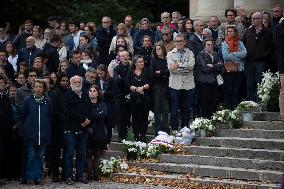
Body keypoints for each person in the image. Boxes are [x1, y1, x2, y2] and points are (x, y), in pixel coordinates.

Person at [21, 79, 52, 184]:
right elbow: (23, 116)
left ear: (44, 89)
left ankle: (38, 176)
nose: (38, 89)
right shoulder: (28, 100)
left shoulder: (48, 101)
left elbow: (50, 116)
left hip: (43, 134)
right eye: (36, 86)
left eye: (40, 87)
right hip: (31, 134)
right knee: (31, 156)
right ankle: (30, 176)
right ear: (33, 88)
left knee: (40, 156)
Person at [64, 75, 91, 185]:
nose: (77, 83)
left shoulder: (85, 95)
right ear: (70, 84)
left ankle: (79, 175)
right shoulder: (68, 95)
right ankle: (68, 176)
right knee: (69, 153)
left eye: (79, 82)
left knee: (81, 153)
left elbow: (89, 108)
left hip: (83, 129)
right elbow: (68, 111)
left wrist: (88, 120)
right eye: (74, 82)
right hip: (71, 129)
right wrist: (83, 119)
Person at [243, 11, 273, 101]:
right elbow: (243, 45)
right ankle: (250, 105)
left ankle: (260, 105)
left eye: (254, 18)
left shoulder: (267, 32)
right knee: (249, 85)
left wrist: (263, 56)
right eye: (251, 18)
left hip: (261, 62)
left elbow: (271, 48)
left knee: (259, 84)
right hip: (249, 62)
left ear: (260, 20)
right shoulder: (247, 31)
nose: (252, 20)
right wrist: (246, 55)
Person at [167, 34, 195, 131]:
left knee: (186, 110)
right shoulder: (170, 54)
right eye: (176, 41)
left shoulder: (190, 53)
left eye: (180, 41)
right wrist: (185, 68)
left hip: (188, 85)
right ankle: (174, 130)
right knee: (174, 110)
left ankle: (185, 130)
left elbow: (191, 66)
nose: (178, 43)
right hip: (175, 86)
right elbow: (171, 69)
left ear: (184, 42)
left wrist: (178, 64)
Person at [196, 38, 223, 118]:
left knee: (213, 101)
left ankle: (212, 118)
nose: (210, 46)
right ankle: (204, 119)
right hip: (204, 81)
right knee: (204, 102)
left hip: (214, 80)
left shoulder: (215, 53)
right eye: (208, 45)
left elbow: (221, 65)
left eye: (211, 45)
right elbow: (205, 68)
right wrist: (215, 66)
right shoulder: (200, 55)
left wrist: (212, 65)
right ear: (204, 46)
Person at [49, 73, 69, 182]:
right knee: (56, 152)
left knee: (67, 151)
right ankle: (55, 173)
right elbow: (55, 110)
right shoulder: (54, 93)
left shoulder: (70, 93)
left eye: (66, 81)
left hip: (68, 127)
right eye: (63, 81)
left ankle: (65, 173)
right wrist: (65, 119)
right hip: (57, 127)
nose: (65, 83)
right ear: (59, 81)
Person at [222, 26, 247, 110]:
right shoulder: (224, 43)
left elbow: (245, 54)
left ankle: (235, 109)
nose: (229, 33)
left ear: (235, 32)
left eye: (231, 31)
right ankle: (228, 110)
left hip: (239, 69)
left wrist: (232, 55)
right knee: (229, 90)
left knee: (237, 90)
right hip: (229, 70)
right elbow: (225, 56)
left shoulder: (240, 43)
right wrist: (238, 55)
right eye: (228, 31)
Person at [86, 85, 107, 181]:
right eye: (90, 91)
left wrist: (91, 116)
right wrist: (94, 115)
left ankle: (96, 175)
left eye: (94, 91)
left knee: (97, 154)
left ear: (98, 93)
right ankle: (89, 175)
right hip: (88, 132)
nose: (92, 92)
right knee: (89, 154)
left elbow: (102, 115)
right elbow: (84, 115)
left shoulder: (102, 104)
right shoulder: (85, 103)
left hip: (99, 132)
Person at [126, 55, 150, 142]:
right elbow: (127, 83)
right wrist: (134, 88)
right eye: (140, 62)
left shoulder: (146, 71)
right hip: (134, 98)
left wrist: (143, 87)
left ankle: (143, 135)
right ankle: (136, 135)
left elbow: (150, 82)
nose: (142, 63)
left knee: (144, 118)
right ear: (135, 63)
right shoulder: (131, 72)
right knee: (135, 118)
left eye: (142, 61)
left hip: (144, 98)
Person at [149, 42, 170, 134]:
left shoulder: (167, 60)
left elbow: (169, 72)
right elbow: (152, 73)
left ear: (163, 49)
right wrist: (163, 73)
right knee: (157, 109)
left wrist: (160, 72)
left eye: (160, 49)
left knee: (165, 108)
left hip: (166, 86)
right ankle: (157, 130)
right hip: (157, 86)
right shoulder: (154, 60)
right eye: (157, 49)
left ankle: (166, 129)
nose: (158, 51)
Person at [95, 64, 118, 143]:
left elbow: (115, 92)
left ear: (105, 72)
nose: (99, 75)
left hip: (109, 104)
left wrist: (105, 93)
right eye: (98, 73)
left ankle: (108, 139)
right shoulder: (97, 80)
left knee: (109, 124)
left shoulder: (111, 80)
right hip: (99, 104)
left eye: (101, 73)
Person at [113, 50, 132, 141]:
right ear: (120, 58)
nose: (125, 58)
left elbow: (131, 80)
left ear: (129, 57)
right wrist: (126, 81)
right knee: (120, 117)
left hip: (130, 94)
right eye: (122, 56)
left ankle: (130, 135)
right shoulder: (116, 69)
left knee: (128, 117)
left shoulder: (132, 68)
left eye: (126, 56)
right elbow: (117, 81)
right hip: (119, 95)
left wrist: (123, 79)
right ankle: (121, 136)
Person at [275, 17, 284, 121]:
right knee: (283, 91)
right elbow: (279, 48)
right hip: (283, 65)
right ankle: (282, 114)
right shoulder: (279, 27)